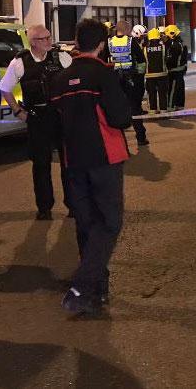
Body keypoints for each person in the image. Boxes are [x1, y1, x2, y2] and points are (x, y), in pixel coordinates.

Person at [49, 18, 133, 314]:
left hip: (74, 160)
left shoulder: (60, 79)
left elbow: (54, 122)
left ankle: (96, 291)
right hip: (104, 158)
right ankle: (83, 286)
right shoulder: (103, 75)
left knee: (86, 224)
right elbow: (120, 117)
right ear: (101, 44)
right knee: (109, 222)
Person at [0, 25, 72, 221]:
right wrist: (17, 110)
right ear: (32, 42)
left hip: (61, 115)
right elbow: (4, 88)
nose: (49, 41)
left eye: (49, 37)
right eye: (44, 39)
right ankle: (44, 208)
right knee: (41, 165)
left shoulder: (62, 58)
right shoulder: (20, 62)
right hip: (37, 117)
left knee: (68, 162)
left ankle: (73, 204)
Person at [108, 20, 148, 146]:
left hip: (115, 81)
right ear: (126, 30)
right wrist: (140, 79)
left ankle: (119, 143)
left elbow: (105, 61)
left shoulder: (109, 42)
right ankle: (141, 138)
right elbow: (141, 61)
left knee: (118, 111)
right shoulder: (131, 42)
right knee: (135, 109)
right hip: (131, 80)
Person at [144, 26, 170, 112]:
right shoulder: (163, 47)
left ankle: (152, 110)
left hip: (149, 75)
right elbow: (167, 58)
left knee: (151, 93)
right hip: (162, 74)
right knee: (162, 93)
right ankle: (163, 110)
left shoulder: (145, 48)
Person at [165, 25, 189, 109]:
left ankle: (170, 107)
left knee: (172, 90)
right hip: (180, 70)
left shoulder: (174, 45)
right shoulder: (180, 43)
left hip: (174, 71)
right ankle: (179, 105)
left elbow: (171, 59)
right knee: (179, 89)